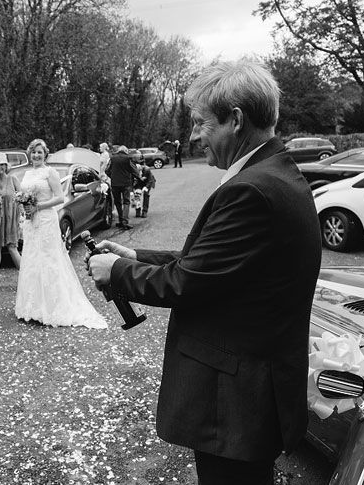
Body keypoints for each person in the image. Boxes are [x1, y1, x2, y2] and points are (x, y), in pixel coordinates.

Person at [88, 60, 322, 485]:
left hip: (236, 403)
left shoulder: (251, 189)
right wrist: (135, 252)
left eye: (201, 123)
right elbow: (216, 263)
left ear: (235, 120)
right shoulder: (270, 173)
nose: (194, 135)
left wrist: (118, 271)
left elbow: (189, 281)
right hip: (248, 393)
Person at [15, 138, 107, 329]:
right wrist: (26, 207)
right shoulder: (27, 173)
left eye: (40, 152)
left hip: (46, 219)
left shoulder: (50, 172)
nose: (36, 155)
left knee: (49, 259)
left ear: (45, 154)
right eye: (33, 152)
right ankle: (32, 307)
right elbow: (23, 196)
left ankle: (53, 306)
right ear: (30, 154)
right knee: (32, 259)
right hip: (31, 222)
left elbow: (59, 198)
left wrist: (37, 206)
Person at [0, 152, 22, 290]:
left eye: (2, 165)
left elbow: (22, 198)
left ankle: (25, 276)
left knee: (12, 247)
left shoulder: (13, 179)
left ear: (6, 166)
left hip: (11, 218)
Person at [106, 145, 140, 230]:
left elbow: (107, 170)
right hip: (126, 184)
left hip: (115, 184)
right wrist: (137, 177)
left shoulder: (112, 158)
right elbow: (135, 171)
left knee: (117, 202)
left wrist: (113, 177)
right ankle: (125, 222)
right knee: (126, 202)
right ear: (125, 151)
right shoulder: (127, 158)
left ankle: (121, 220)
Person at [132, 153, 155, 218]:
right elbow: (131, 181)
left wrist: (146, 187)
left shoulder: (147, 169)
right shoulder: (133, 171)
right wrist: (131, 190)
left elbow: (150, 180)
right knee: (136, 195)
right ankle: (137, 210)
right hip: (138, 183)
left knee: (146, 194)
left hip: (147, 183)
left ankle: (144, 211)